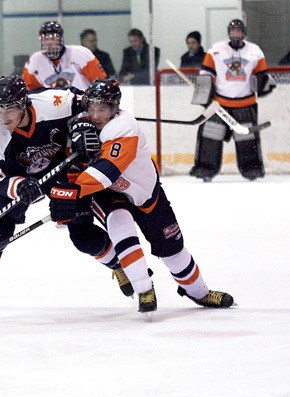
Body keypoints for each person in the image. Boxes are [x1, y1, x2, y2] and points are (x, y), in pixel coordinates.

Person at [0, 76, 133, 320]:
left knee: (83, 236)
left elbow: (86, 102)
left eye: (10, 108)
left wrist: (82, 124)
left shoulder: (53, 102)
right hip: (19, 178)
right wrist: (18, 186)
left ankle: (120, 265)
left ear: (24, 103)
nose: (4, 117)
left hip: (62, 171)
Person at [48, 78, 235, 314]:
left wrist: (75, 191)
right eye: (91, 108)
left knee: (172, 250)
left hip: (145, 193)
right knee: (119, 224)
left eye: (102, 109)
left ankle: (199, 292)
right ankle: (144, 288)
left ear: (115, 108)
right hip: (112, 193)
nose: (95, 114)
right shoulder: (81, 123)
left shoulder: (124, 127)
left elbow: (108, 169)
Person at [189, 19, 276, 182]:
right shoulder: (216, 50)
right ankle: (205, 169)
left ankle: (251, 169)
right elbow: (206, 74)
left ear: (244, 33)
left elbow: (262, 75)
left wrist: (265, 84)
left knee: (247, 139)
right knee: (210, 136)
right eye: (233, 31)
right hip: (219, 104)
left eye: (239, 31)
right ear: (229, 32)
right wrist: (204, 94)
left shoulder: (255, 51)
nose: (236, 33)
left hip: (245, 104)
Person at [22, 21, 107, 90]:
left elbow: (102, 83)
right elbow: (29, 92)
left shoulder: (81, 54)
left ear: (61, 40)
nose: (49, 43)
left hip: (82, 108)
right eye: (45, 39)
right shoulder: (34, 62)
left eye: (53, 38)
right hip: (53, 109)